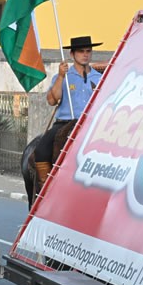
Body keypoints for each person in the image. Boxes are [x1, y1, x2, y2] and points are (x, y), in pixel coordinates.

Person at [34, 36, 103, 188]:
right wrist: (60, 76)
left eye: (88, 51)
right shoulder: (63, 76)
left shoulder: (99, 78)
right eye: (81, 51)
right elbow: (53, 100)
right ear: (72, 55)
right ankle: (46, 187)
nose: (85, 54)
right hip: (64, 123)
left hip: (90, 124)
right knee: (40, 151)